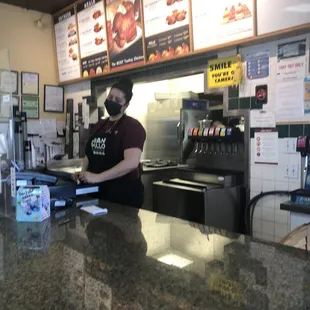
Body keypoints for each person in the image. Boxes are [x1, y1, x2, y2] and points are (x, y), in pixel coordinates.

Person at [72, 77, 146, 208]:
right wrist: (82, 175)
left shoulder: (132, 127)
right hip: (97, 193)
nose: (112, 101)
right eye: (110, 97)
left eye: (118, 100)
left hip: (123, 197)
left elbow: (131, 162)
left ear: (126, 106)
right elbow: (89, 155)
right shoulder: (100, 125)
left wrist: (98, 177)